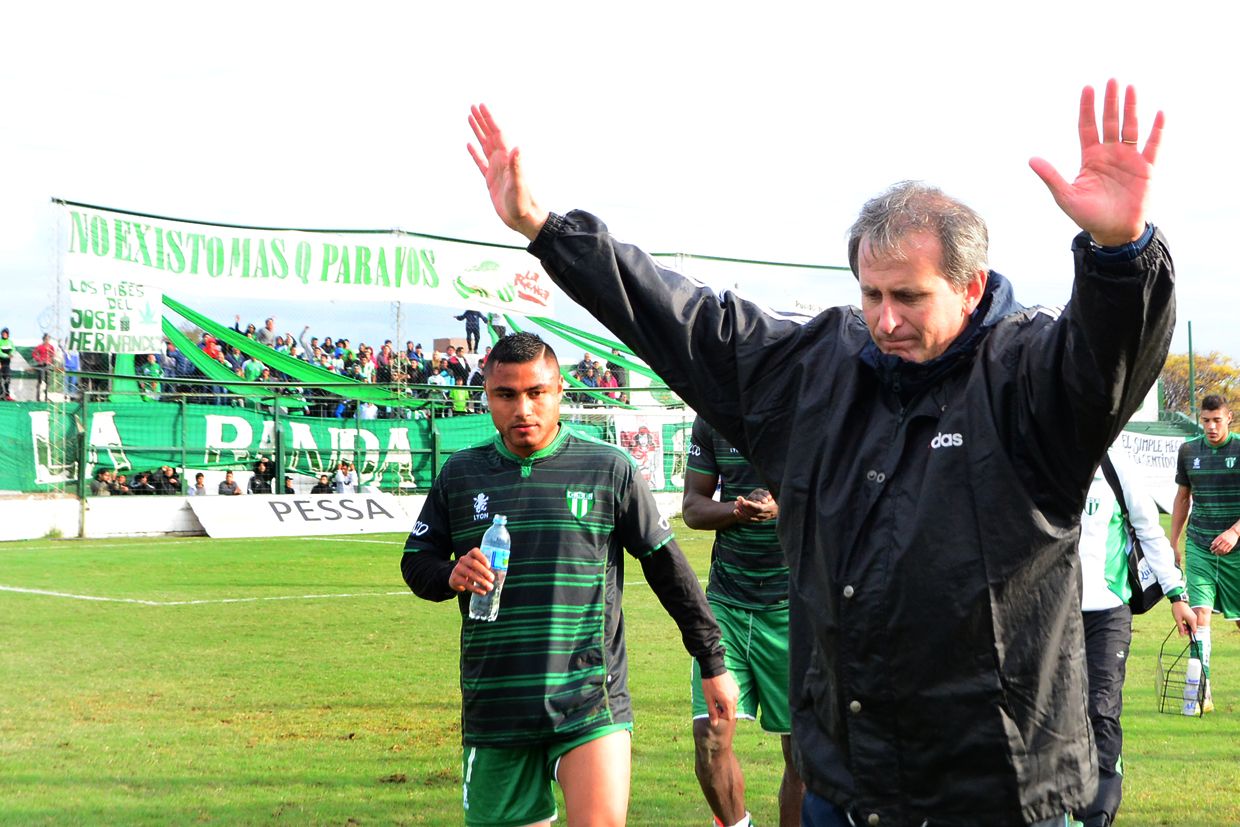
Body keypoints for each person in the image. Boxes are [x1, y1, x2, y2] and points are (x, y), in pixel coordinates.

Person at [467, 80, 1173, 826]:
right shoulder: (816, 370)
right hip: (848, 783)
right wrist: (546, 229)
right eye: (870, 294)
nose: (885, 320)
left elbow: (1108, 361)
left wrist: (1120, 255)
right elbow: (682, 318)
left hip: (996, 790)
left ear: (971, 288)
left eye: (908, 296)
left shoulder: (1027, 379)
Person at [401, 332, 737, 827]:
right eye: (506, 394)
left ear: (560, 391)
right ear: (487, 397)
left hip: (588, 701)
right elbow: (416, 561)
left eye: (536, 392)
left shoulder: (609, 468)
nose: (523, 409)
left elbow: (668, 569)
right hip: (496, 705)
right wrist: (449, 573)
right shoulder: (461, 473)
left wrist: (712, 660)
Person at [683, 416, 803, 827]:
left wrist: (780, 508)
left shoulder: (810, 405)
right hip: (726, 608)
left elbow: (843, 495)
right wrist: (736, 509)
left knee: (803, 753)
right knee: (710, 741)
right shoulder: (713, 417)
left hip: (796, 609)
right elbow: (693, 508)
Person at [1075, 445, 1195, 826]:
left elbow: (1149, 531)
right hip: (1050, 614)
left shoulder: (1115, 465)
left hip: (1108, 613)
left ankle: (1097, 814)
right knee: (1054, 714)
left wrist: (1177, 595)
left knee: (1100, 710)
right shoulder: (1042, 455)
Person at [1169, 393, 1240, 715]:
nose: (1211, 426)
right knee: (1199, 617)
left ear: (1229, 418)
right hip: (1199, 544)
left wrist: (1235, 531)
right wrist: (1174, 541)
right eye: (1206, 420)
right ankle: (1201, 692)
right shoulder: (1188, 451)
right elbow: (1183, 498)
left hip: (1237, 549)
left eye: (1217, 420)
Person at [32, 334, 56, 401]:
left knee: (48, 381)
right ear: (43, 339)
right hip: (42, 365)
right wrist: (39, 360)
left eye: (48, 339)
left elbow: (53, 355)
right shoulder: (40, 346)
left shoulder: (51, 347)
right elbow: (33, 354)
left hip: (48, 365)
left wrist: (50, 355)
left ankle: (46, 397)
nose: (47, 340)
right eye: (46, 339)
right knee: (40, 381)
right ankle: (38, 397)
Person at [0, 327, 13, 400]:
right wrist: (6, 355)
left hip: (7, 364)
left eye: (5, 333)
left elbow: (13, 349)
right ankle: (1, 395)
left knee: (7, 380)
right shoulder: (0, 342)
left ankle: (7, 395)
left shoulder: (10, 342)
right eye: (3, 333)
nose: (4, 334)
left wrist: (11, 354)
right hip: (0, 363)